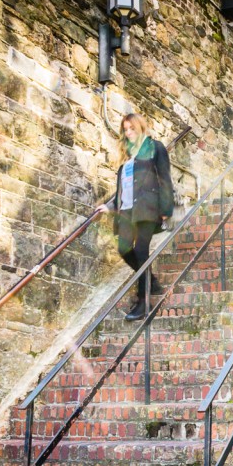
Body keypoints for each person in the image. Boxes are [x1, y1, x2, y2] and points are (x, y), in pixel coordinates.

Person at [99, 113, 174, 321]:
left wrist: (166, 208)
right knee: (124, 249)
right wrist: (109, 206)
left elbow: (165, 178)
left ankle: (144, 302)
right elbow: (123, 189)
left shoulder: (154, 147)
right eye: (125, 129)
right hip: (126, 211)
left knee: (141, 250)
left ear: (140, 127)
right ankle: (151, 281)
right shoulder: (127, 157)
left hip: (147, 208)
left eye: (132, 128)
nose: (129, 133)